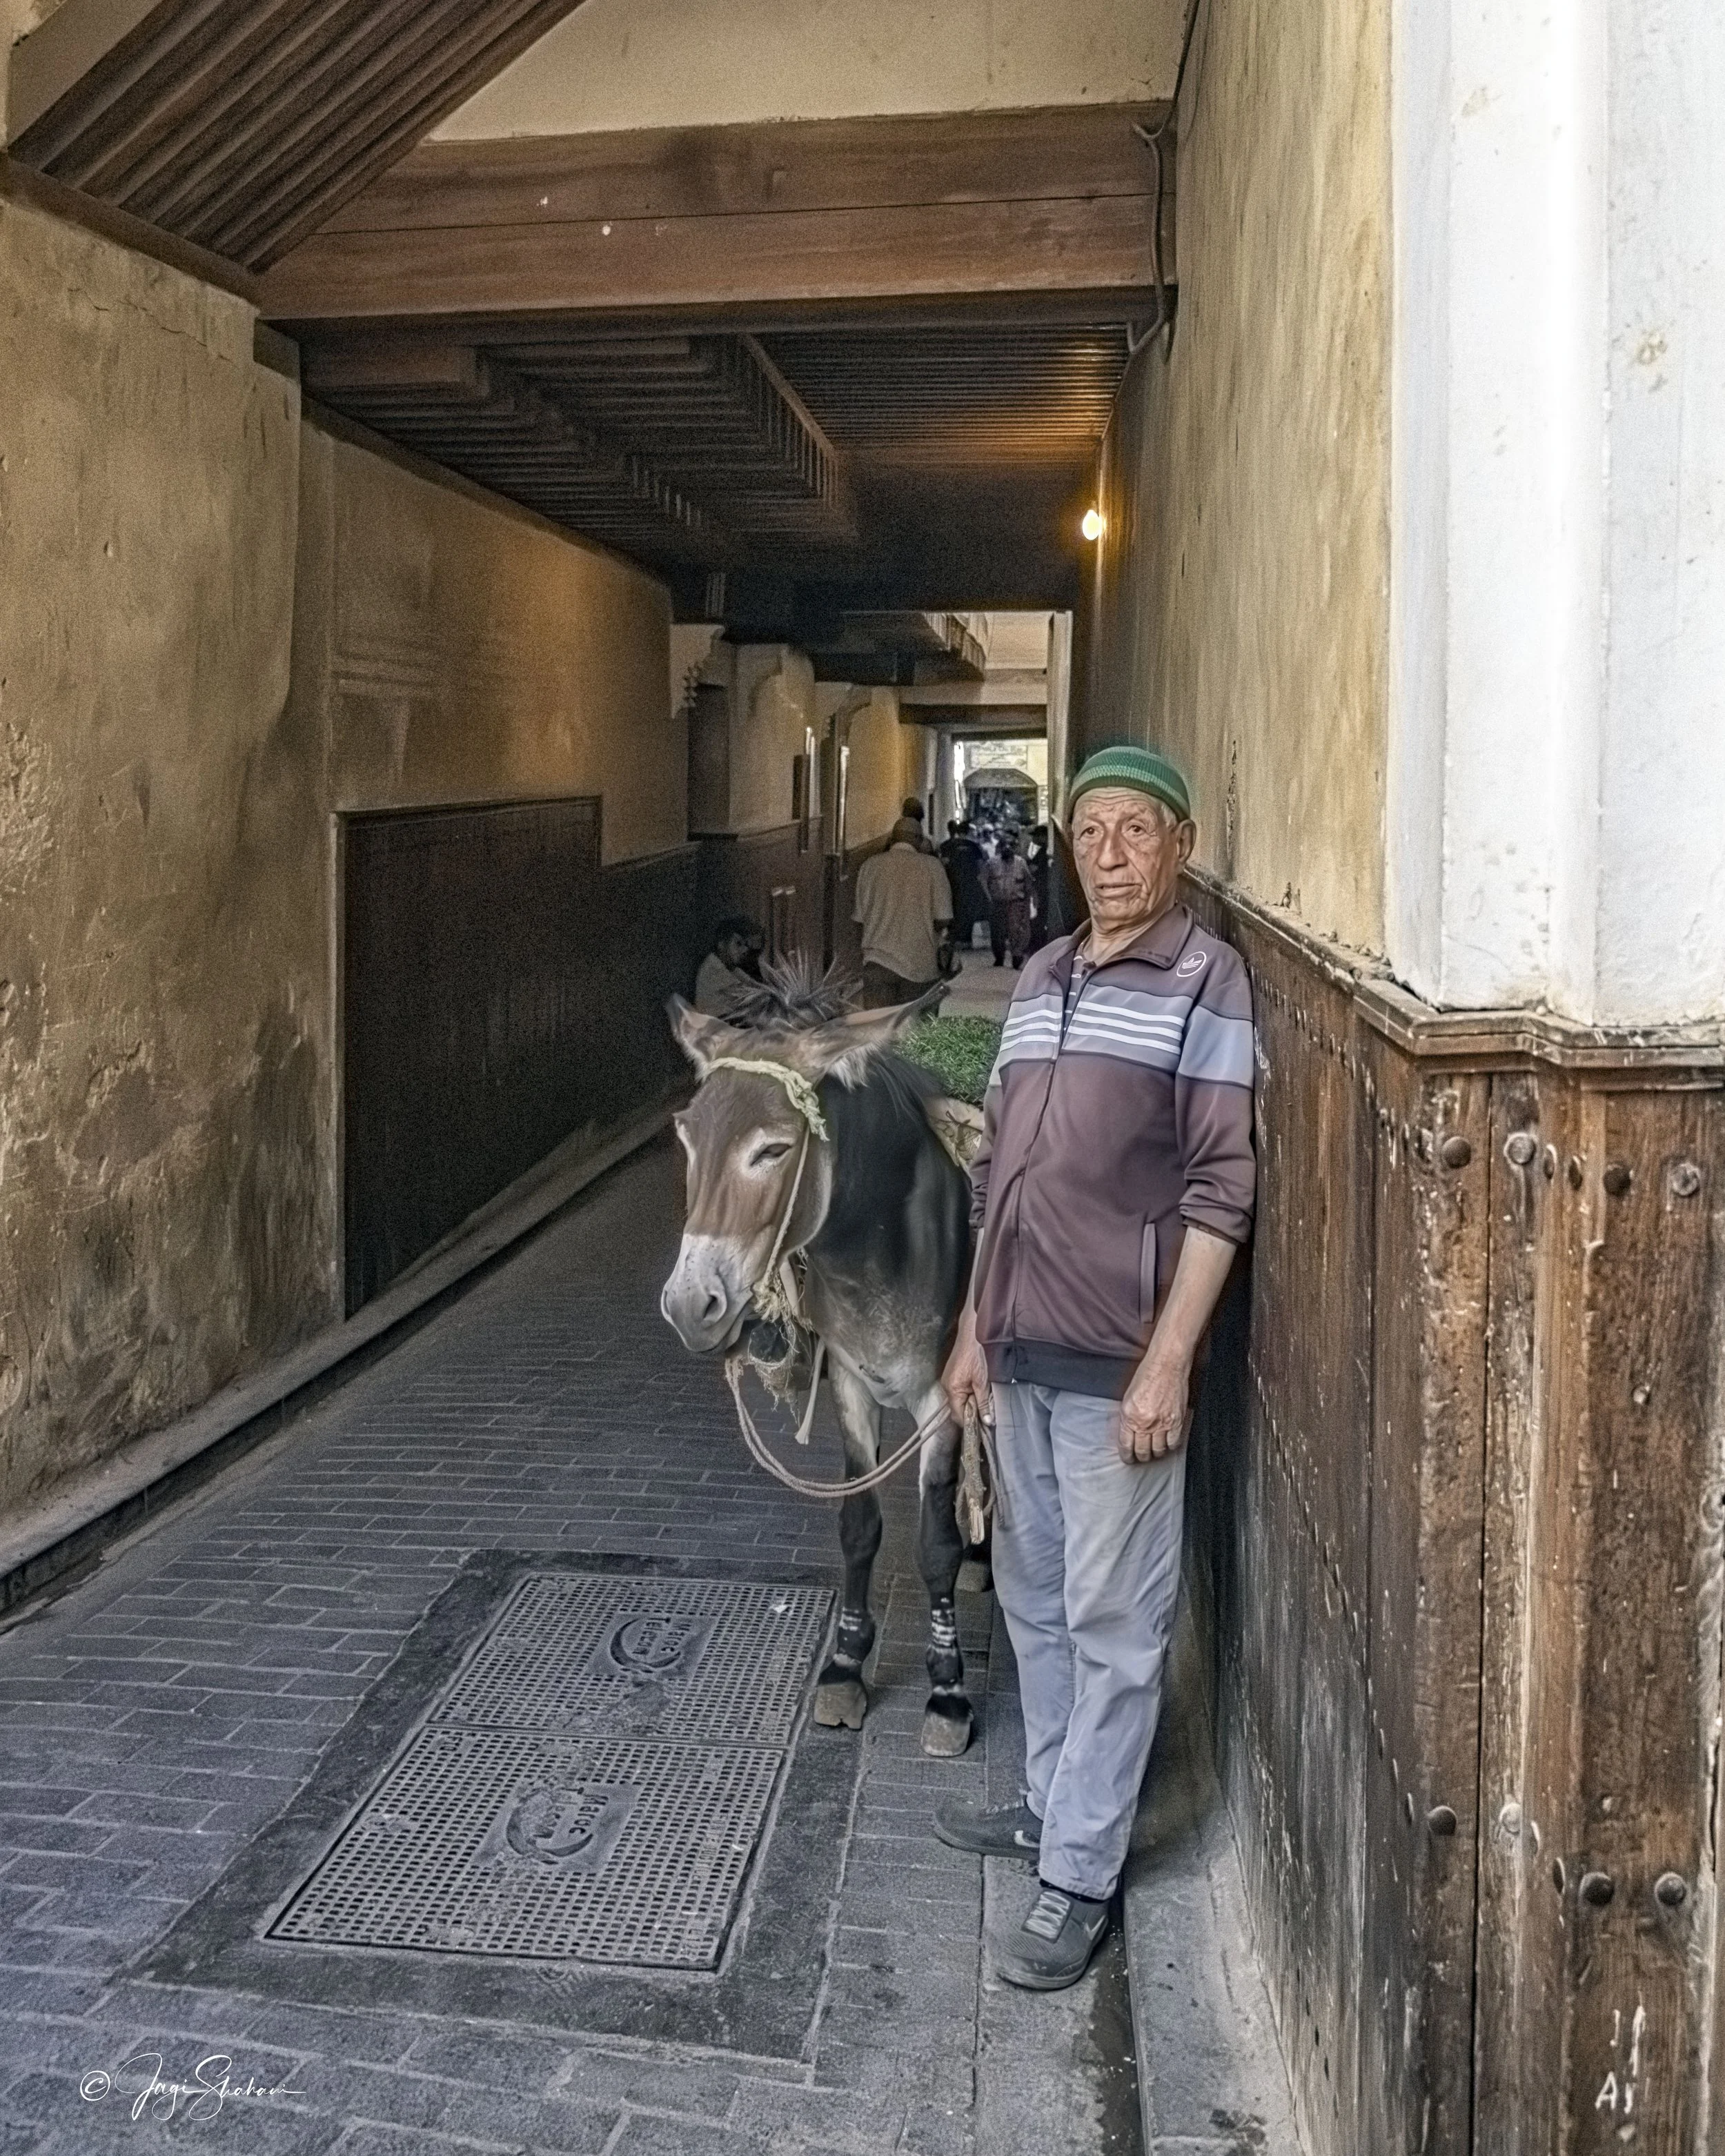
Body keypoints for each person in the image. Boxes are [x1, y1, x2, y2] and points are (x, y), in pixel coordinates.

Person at [934, 744, 1256, 1990]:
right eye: (1089, 830)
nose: (1108, 854)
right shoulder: (1042, 976)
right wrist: (973, 1327)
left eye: (1135, 831)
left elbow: (1225, 1188)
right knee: (1034, 1603)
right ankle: (1054, 1806)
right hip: (1018, 1350)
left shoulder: (1206, 984)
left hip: (1122, 1361)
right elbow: (996, 1177)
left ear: (1180, 845)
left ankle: (1078, 1875)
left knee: (1117, 1623)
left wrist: (1169, 1361)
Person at [853, 816, 952, 1006]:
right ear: (919, 840)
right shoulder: (932, 867)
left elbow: (859, 919)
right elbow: (944, 919)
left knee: (880, 1030)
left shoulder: (869, 866)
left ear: (892, 839)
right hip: (919, 964)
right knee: (916, 1032)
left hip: (877, 963)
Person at [693, 915, 764, 1016]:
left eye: (746, 945)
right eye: (738, 944)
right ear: (721, 944)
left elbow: (753, 986)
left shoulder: (730, 967)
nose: (745, 950)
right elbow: (752, 996)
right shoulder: (713, 968)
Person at [982, 835, 1034, 967]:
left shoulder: (1021, 863)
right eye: (1005, 845)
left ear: (1015, 848)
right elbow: (983, 880)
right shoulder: (992, 863)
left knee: (1015, 930)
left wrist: (1029, 901)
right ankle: (999, 957)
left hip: (1015, 903)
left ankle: (1016, 955)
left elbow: (1028, 883)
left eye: (1011, 845)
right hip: (997, 903)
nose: (1008, 848)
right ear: (1000, 848)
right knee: (997, 931)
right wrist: (989, 898)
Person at [938, 819, 987, 949]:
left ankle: (954, 936)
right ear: (968, 832)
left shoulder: (947, 846)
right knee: (968, 910)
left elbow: (944, 863)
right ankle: (966, 938)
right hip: (970, 884)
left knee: (953, 908)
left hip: (953, 882)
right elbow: (981, 867)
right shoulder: (974, 847)